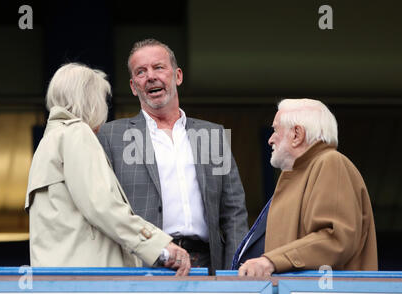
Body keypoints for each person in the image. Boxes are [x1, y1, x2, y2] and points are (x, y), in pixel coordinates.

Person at [98, 39, 249, 273]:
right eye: (141, 72)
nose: (150, 76)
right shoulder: (111, 135)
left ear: (177, 76)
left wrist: (232, 271)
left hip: (207, 265)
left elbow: (233, 212)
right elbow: (105, 208)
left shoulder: (212, 135)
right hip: (142, 266)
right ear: (132, 86)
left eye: (158, 67)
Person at [25, 63, 191, 276]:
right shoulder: (76, 133)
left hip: (56, 280)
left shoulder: (47, 143)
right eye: (102, 99)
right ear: (89, 99)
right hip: (90, 282)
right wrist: (158, 245)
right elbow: (102, 205)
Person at [232, 98, 378, 277]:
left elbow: (335, 239)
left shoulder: (330, 162)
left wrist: (270, 261)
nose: (270, 139)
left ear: (297, 135)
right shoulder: (302, 173)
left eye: (275, 130)